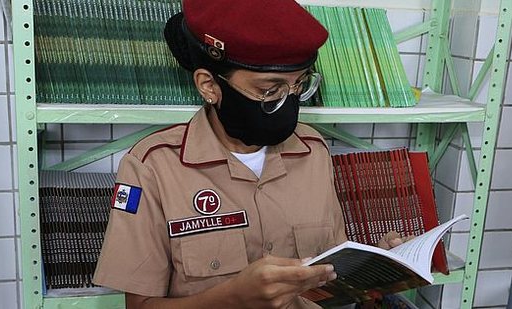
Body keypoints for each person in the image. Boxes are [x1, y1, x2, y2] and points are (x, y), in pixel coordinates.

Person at [93, 0, 406, 308]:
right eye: (270, 90)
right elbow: (140, 305)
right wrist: (233, 298)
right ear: (209, 86)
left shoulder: (313, 151)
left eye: (298, 84)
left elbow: (327, 273)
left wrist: (376, 265)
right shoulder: (153, 167)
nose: (288, 103)